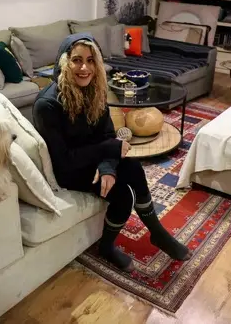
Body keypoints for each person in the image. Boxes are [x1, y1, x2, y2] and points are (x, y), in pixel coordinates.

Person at [33, 33, 191, 272]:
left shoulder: (95, 90)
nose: (84, 68)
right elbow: (65, 161)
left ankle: (156, 232)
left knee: (133, 167)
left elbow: (106, 134)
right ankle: (107, 248)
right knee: (123, 196)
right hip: (67, 171)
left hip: (91, 159)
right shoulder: (47, 105)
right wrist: (110, 149)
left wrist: (107, 166)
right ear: (64, 63)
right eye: (77, 60)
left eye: (90, 60)